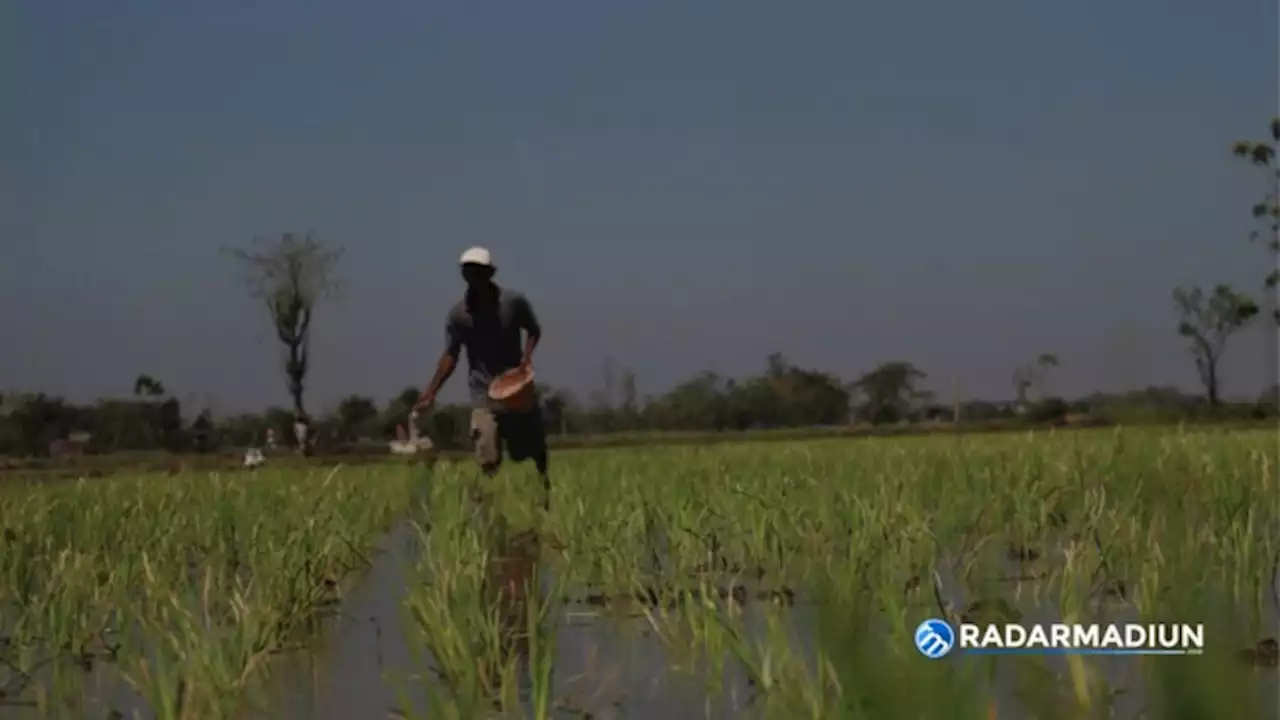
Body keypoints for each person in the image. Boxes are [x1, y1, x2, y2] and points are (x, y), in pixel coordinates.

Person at [413, 247, 550, 505]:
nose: (473, 277)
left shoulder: (513, 302)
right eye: (468, 272)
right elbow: (450, 355)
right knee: (487, 451)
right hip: (483, 392)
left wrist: (526, 357)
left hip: (516, 385)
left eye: (479, 272)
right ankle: (490, 506)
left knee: (530, 450)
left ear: (491, 273)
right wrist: (431, 390)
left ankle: (545, 493)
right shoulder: (459, 316)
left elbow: (533, 330)